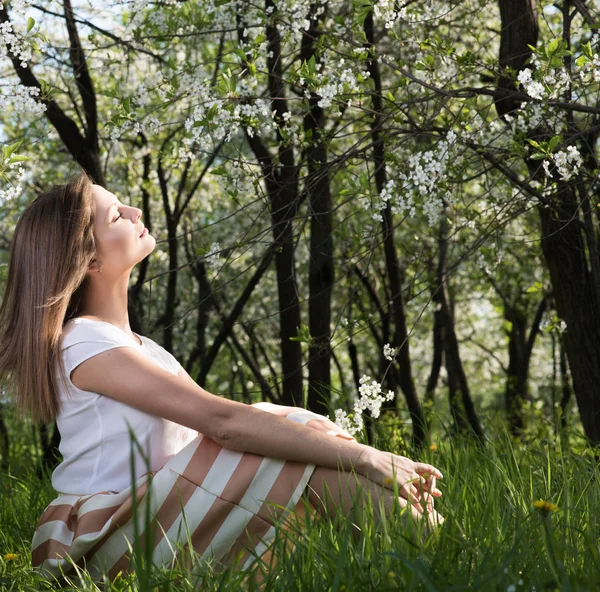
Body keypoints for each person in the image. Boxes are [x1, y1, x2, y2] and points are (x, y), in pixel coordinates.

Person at [0, 171, 444, 585]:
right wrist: (364, 456)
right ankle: (437, 553)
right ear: (90, 260)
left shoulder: (147, 350)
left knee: (285, 441)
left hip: (162, 516)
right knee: (276, 431)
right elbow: (223, 424)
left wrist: (345, 454)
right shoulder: (83, 341)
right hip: (99, 536)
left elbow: (225, 433)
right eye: (117, 214)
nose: (136, 212)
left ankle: (433, 547)